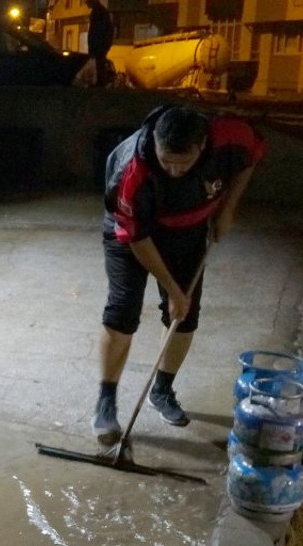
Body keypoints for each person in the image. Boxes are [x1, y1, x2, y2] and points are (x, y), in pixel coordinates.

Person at [92, 104, 266, 444]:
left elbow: (249, 160)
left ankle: (162, 391)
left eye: (182, 163)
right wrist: (173, 289)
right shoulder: (131, 168)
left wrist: (228, 209)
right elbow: (137, 239)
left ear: (202, 146)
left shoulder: (231, 137)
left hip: (188, 230)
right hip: (131, 235)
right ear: (155, 143)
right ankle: (106, 402)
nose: (173, 170)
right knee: (122, 311)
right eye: (165, 160)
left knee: (184, 317)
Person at [85, 0, 115, 87]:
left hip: (98, 47)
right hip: (100, 46)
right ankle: (99, 83)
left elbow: (97, 32)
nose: (86, 4)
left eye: (87, 2)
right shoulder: (101, 12)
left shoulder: (98, 12)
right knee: (99, 65)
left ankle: (99, 84)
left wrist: (95, 46)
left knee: (98, 66)